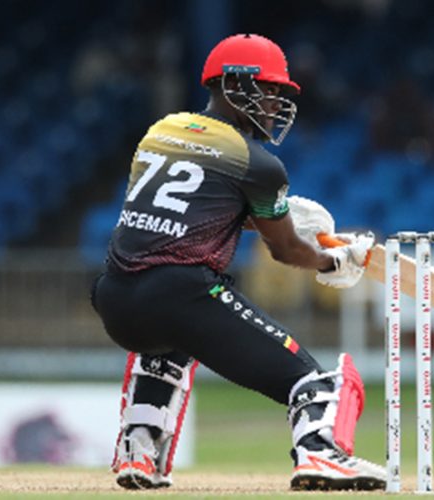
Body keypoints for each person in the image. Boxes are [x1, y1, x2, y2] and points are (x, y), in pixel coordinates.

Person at [90, 33, 386, 491]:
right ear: (233, 85)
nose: (275, 105)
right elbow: (285, 250)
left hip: (114, 297)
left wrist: (270, 217)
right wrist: (332, 262)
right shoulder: (258, 165)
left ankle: (139, 449)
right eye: (269, 91)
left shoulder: (161, 132)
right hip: (183, 293)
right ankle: (321, 454)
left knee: (164, 352)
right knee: (315, 382)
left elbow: (189, 209)